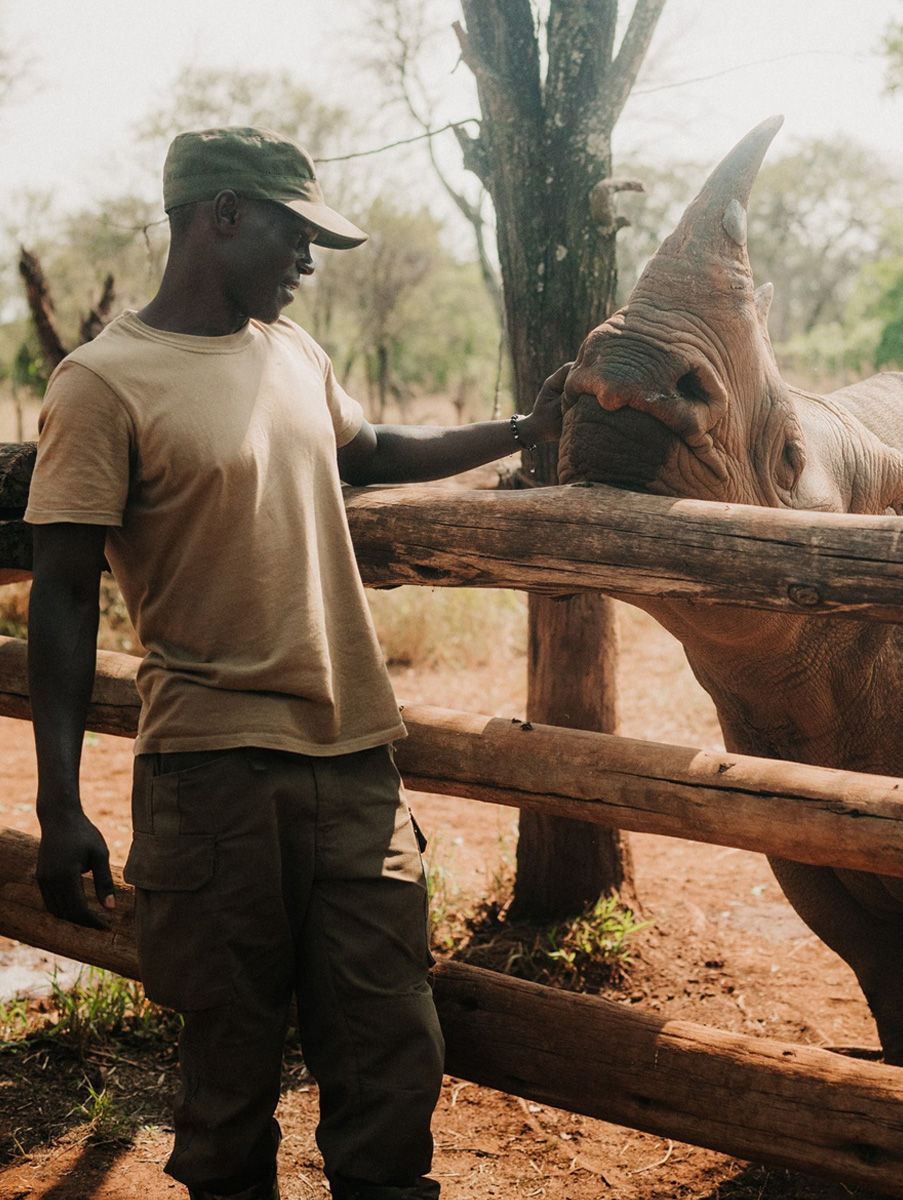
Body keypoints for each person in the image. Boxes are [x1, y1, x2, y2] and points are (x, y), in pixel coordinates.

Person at [25, 125, 566, 1200]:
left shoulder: (295, 356)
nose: (308, 264)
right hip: (211, 777)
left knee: (392, 1054)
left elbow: (376, 452)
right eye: (296, 235)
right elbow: (65, 594)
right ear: (221, 215)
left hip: (354, 759)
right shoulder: (102, 383)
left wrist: (521, 426)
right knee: (229, 1088)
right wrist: (58, 802)